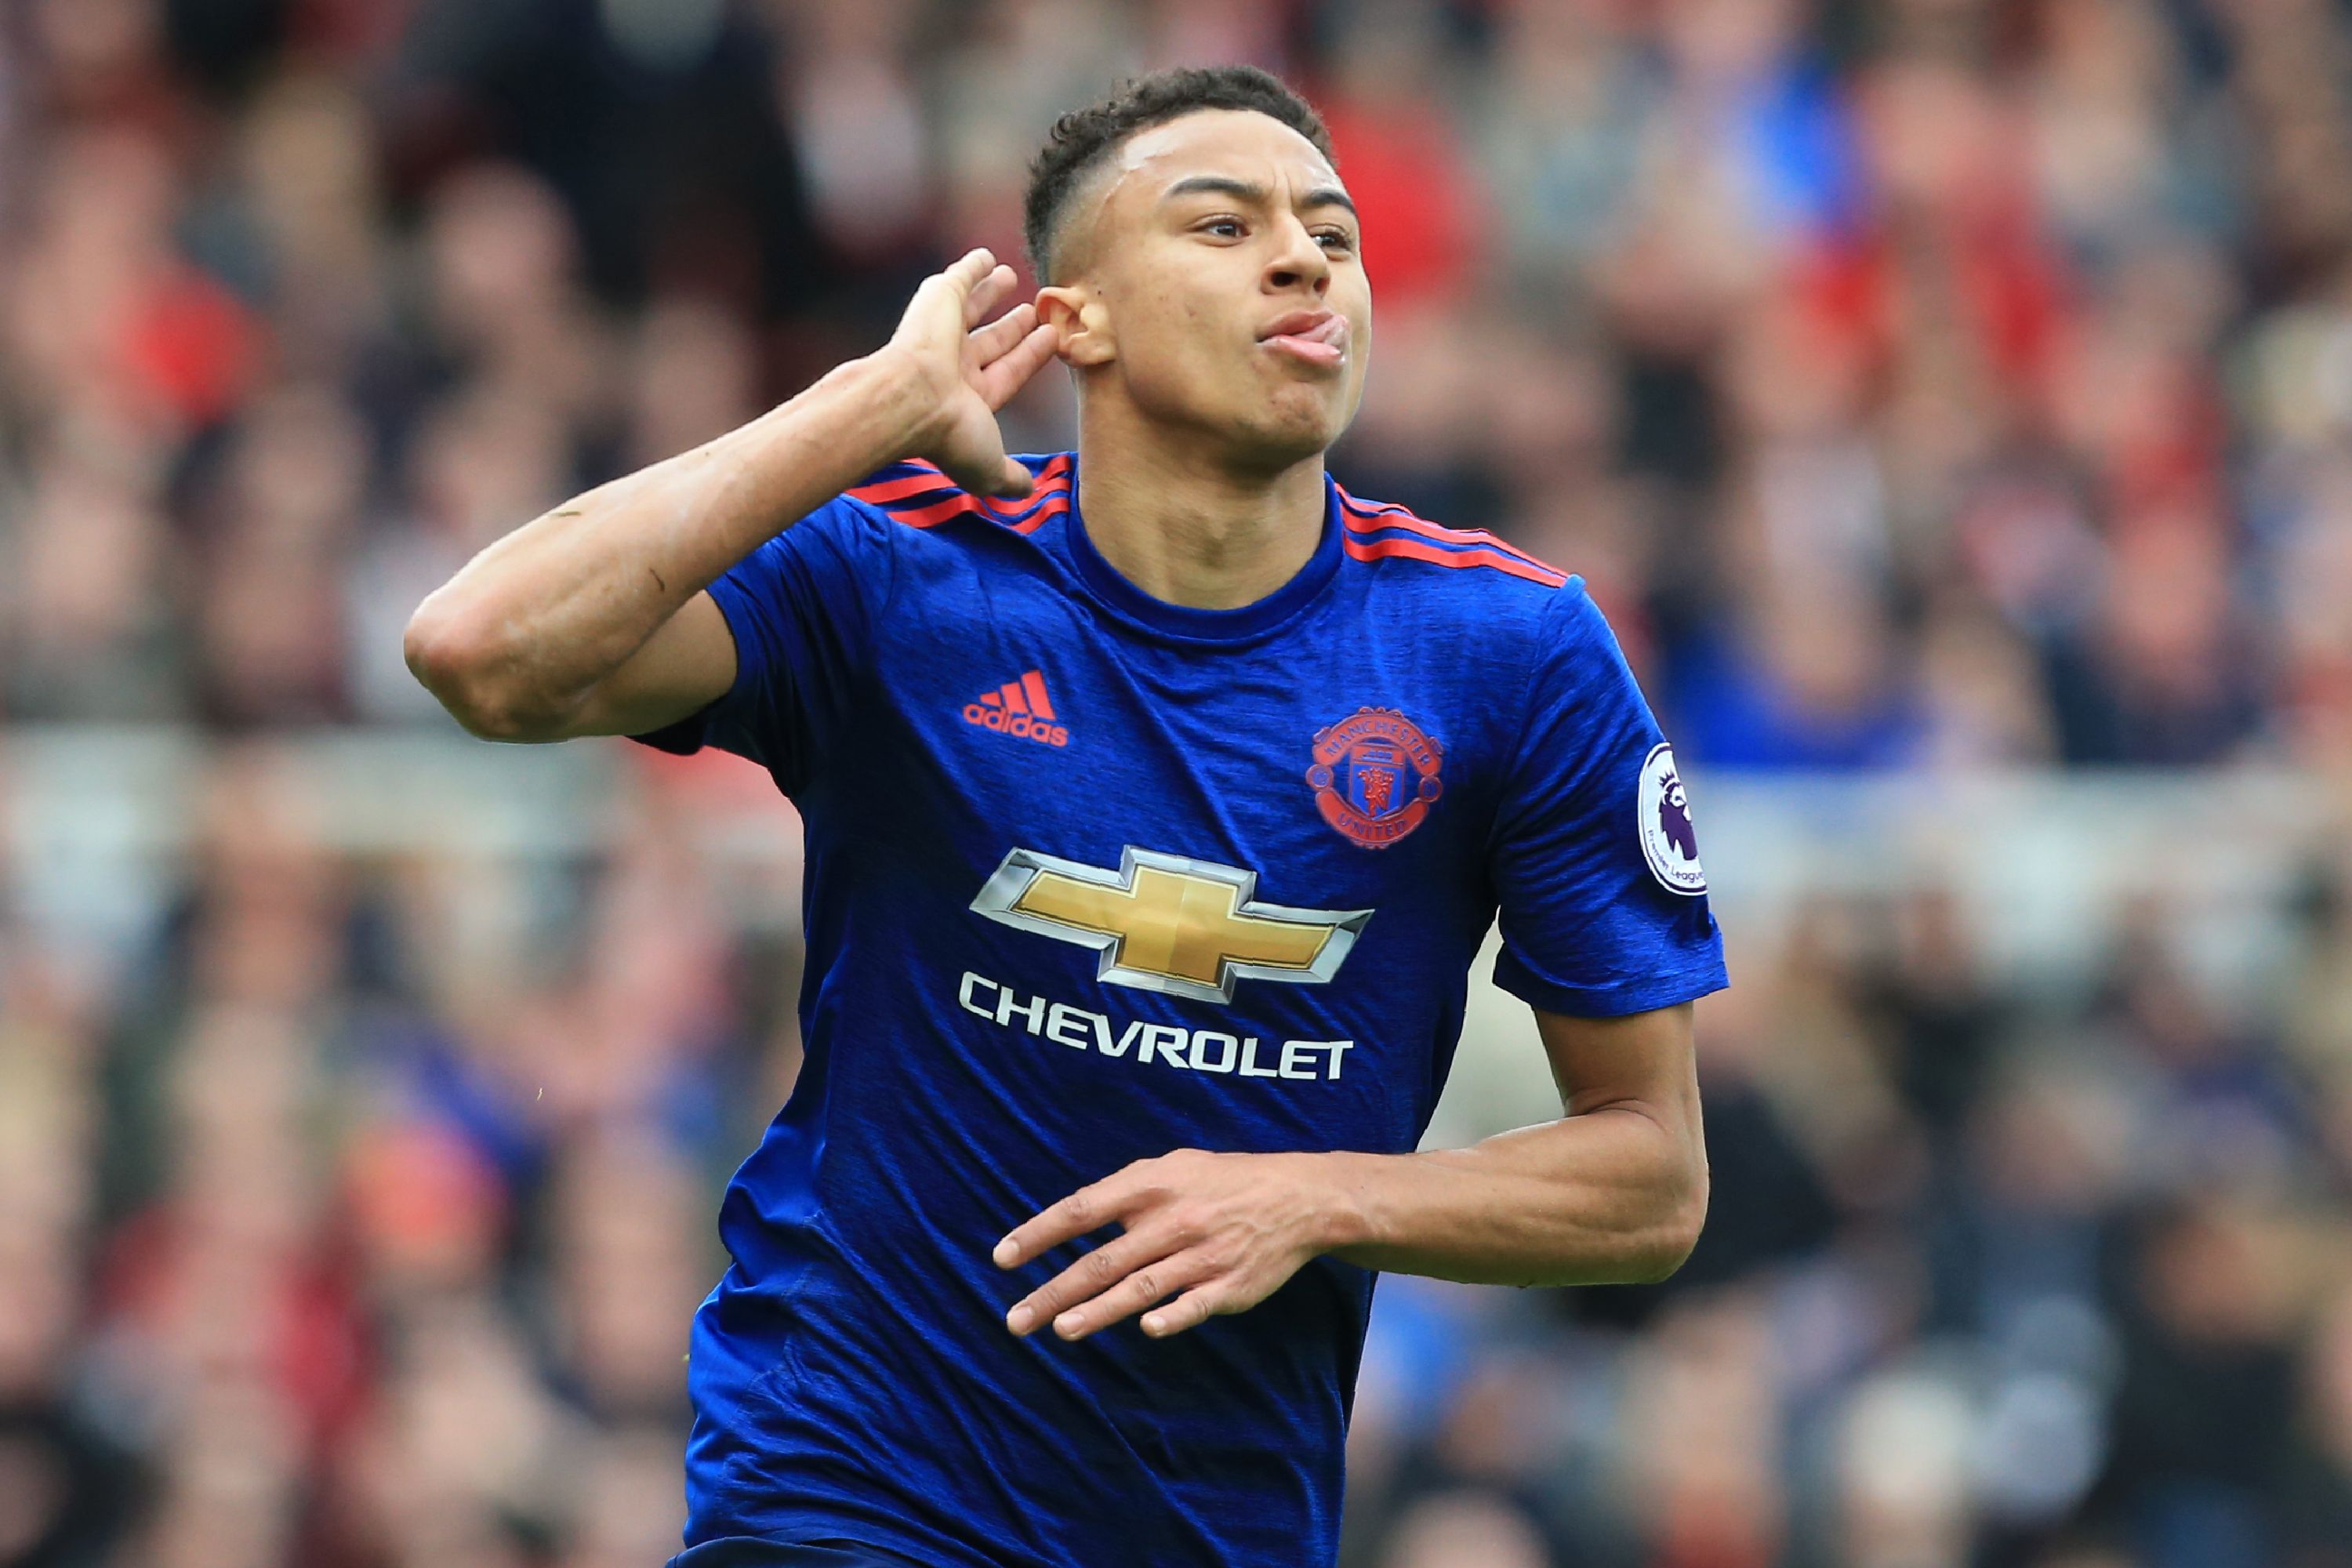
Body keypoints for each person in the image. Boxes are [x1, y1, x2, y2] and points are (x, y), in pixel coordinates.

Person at [405, 64, 1725, 1568]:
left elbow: (1650, 1177)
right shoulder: (906, 571)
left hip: (1215, 1520)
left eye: (1335, 235)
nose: (1305, 259)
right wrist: (869, 407)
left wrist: (1314, 1199)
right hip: (844, 1487)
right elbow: (482, 654)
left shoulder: (1508, 651)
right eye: (1222, 226)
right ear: (1072, 317)